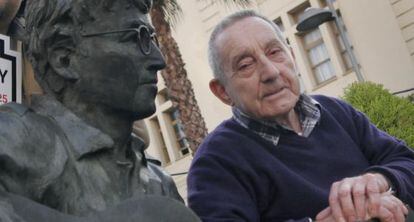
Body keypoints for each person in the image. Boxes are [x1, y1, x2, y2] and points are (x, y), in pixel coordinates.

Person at [187, 10, 414, 222]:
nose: (271, 72)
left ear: (292, 56)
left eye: (275, 52)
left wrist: (377, 181)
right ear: (223, 91)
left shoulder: (337, 112)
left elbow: (407, 161)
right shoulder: (215, 163)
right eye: (246, 65)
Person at [0, 0, 199, 221]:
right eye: (134, 37)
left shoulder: (157, 180)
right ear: (63, 58)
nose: (158, 60)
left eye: (150, 39)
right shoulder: (14, 142)